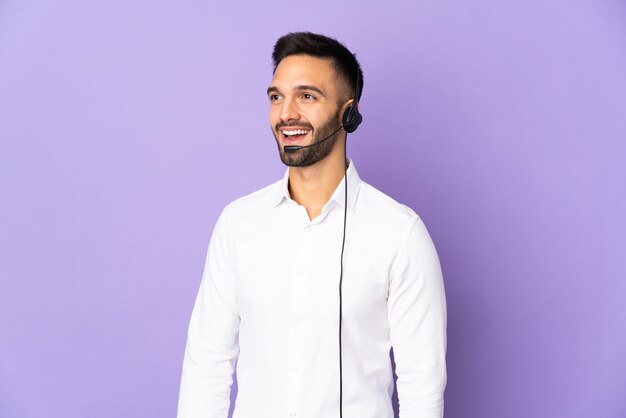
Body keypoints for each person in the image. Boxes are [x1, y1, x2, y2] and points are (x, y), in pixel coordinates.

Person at [177, 32, 447, 418]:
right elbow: (207, 363)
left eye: (307, 96)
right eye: (276, 97)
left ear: (347, 113)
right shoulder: (238, 224)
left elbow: (422, 383)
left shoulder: (400, 234)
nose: (286, 113)